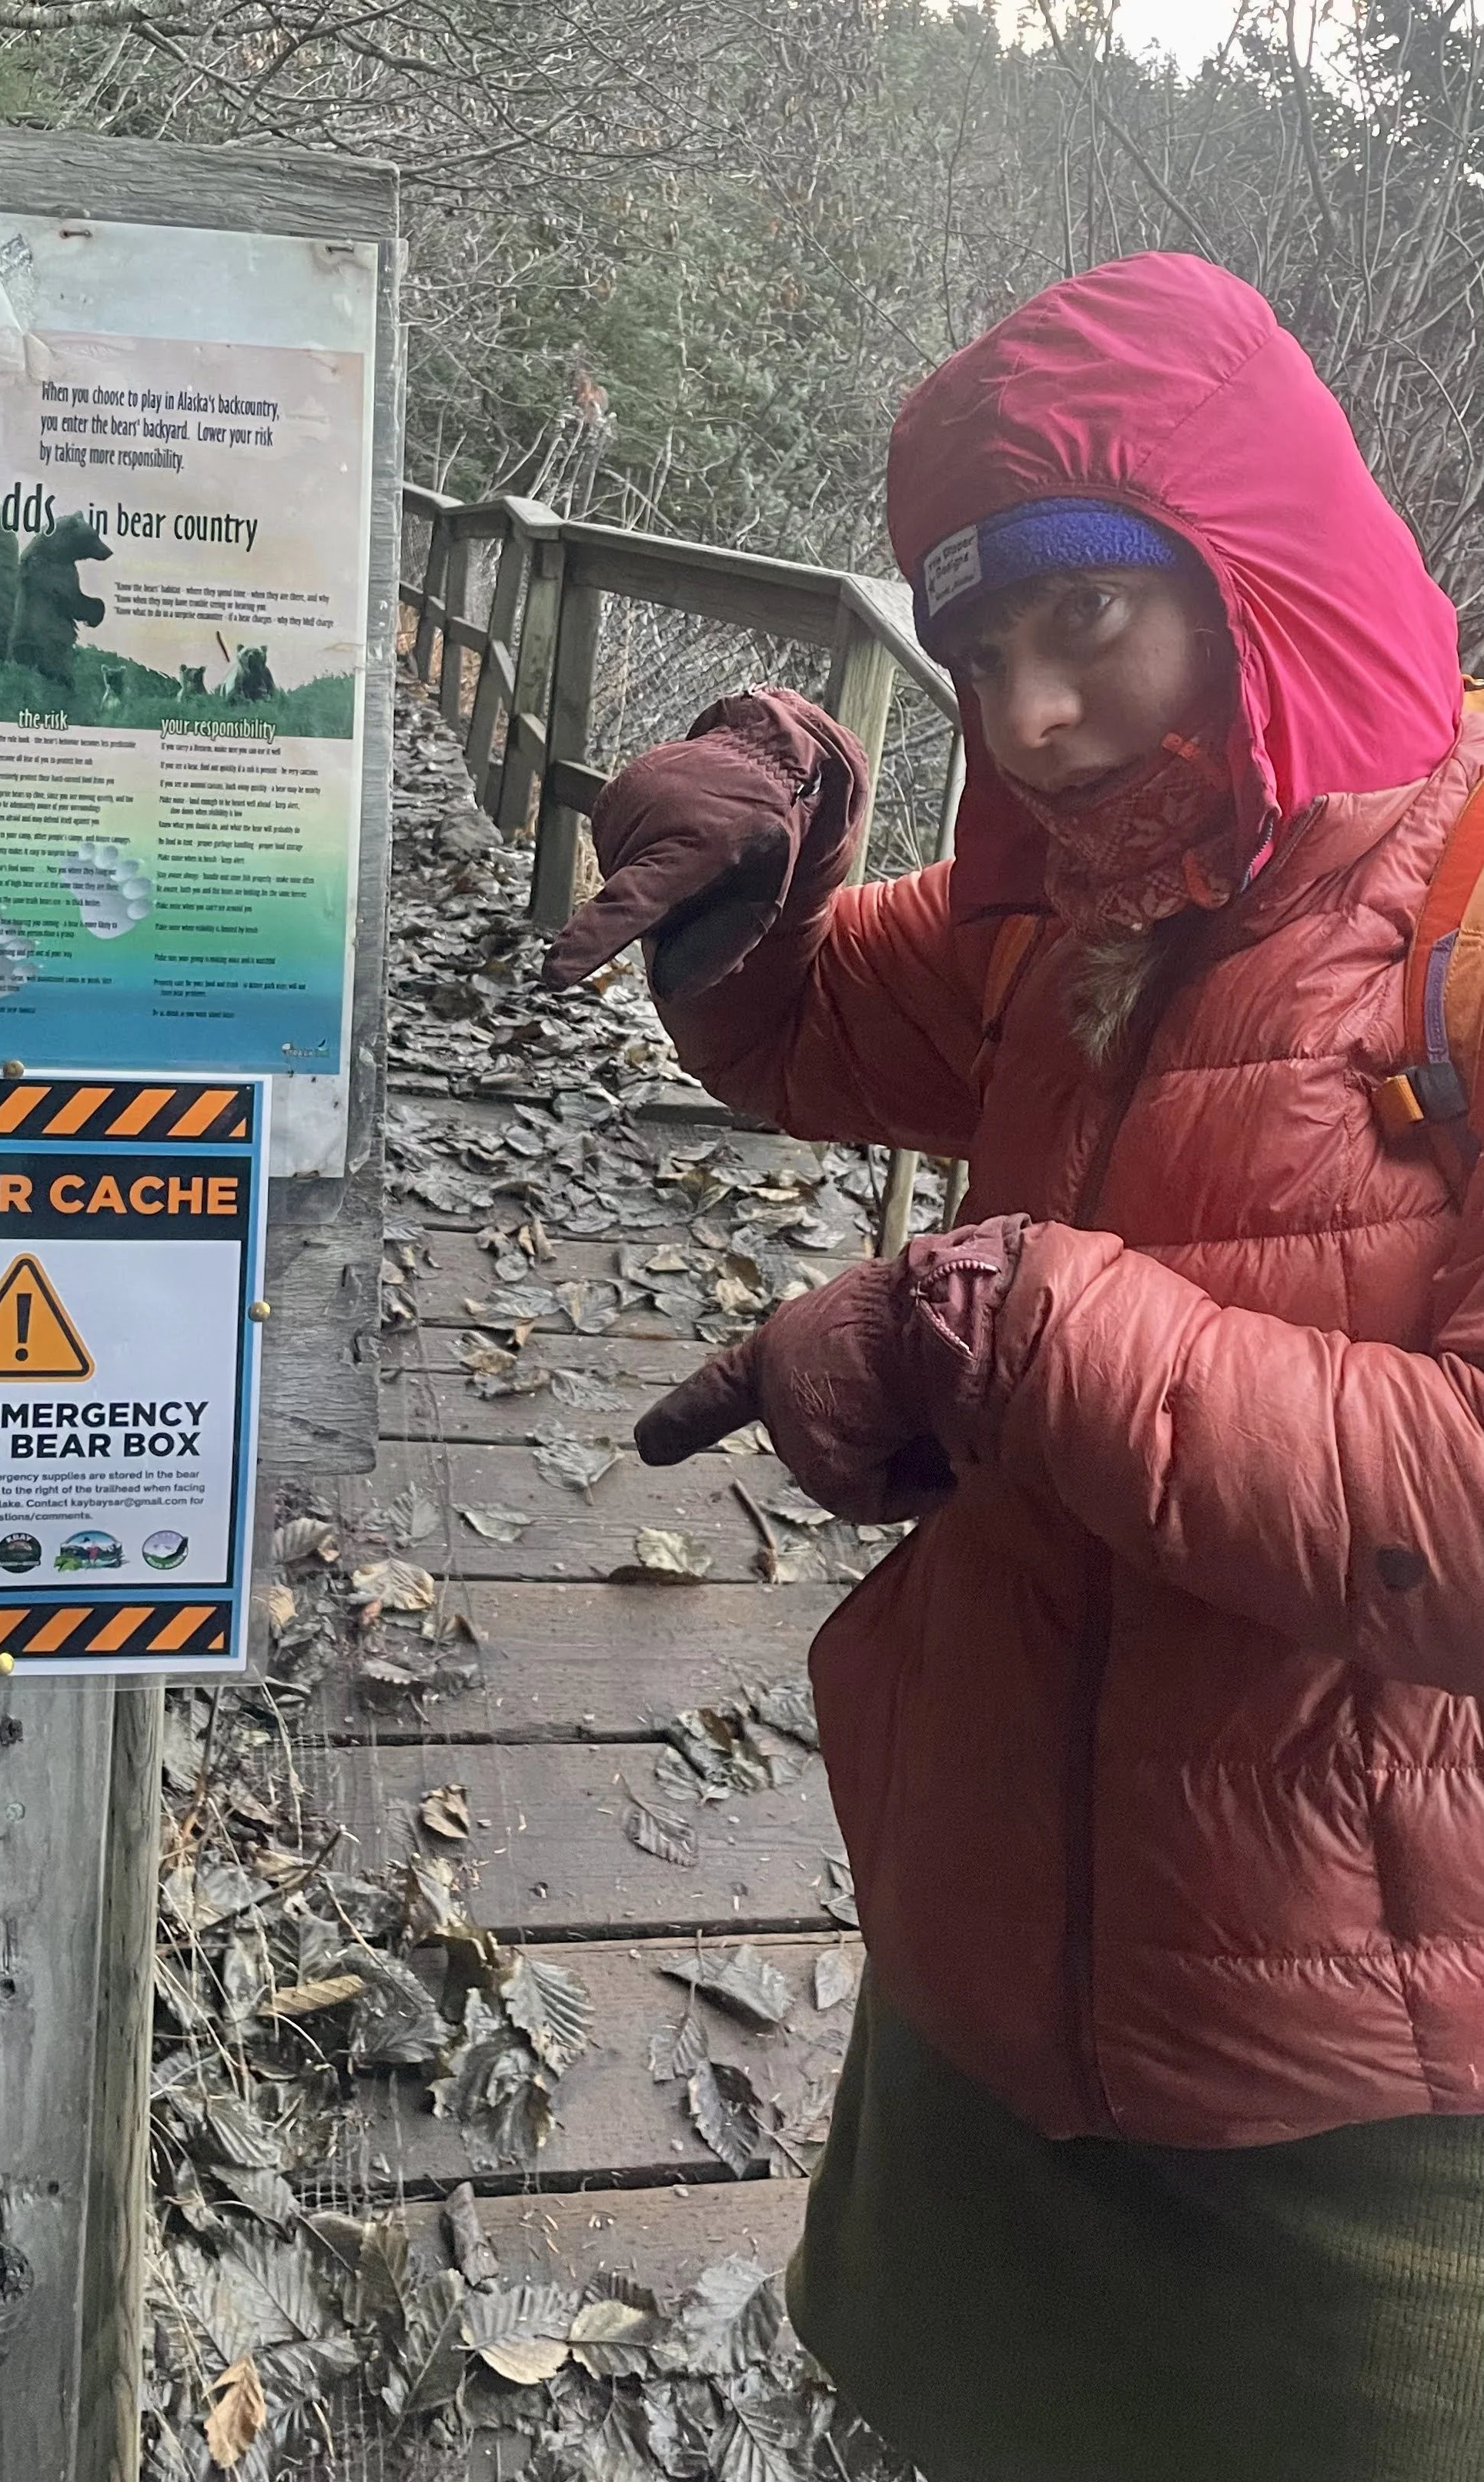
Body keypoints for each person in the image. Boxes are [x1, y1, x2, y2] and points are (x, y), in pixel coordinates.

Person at [543, 251, 1484, 2482]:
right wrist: (750, 852)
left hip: (1351, 2093)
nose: (1036, 713)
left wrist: (1008, 1323)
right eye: (977, 655)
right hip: (989, 1983)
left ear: (1258, 574)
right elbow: (815, 1024)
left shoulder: (1456, 918)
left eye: (1092, 616)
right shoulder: (1088, 900)